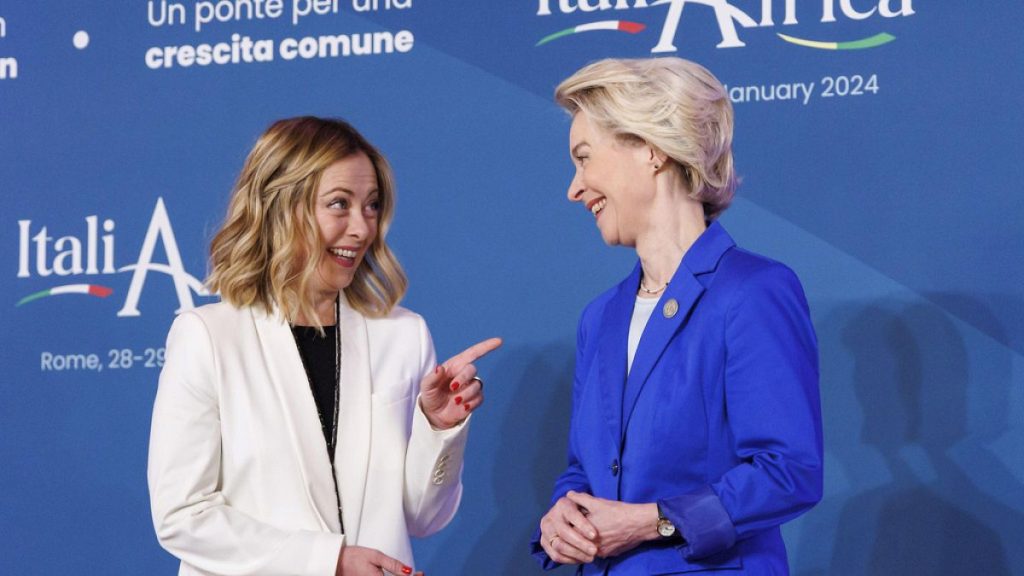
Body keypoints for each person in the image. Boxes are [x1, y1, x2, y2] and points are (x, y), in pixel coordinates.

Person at [149, 116, 500, 576]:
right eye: (340, 205)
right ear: (280, 207)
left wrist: (439, 428)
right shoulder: (209, 336)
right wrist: (326, 561)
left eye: (372, 206)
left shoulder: (403, 335)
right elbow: (182, 516)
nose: (362, 228)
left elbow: (422, 517)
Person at [531, 58, 822, 574]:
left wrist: (654, 520)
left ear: (651, 149)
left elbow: (789, 472)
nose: (574, 189)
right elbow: (585, 468)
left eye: (584, 158)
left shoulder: (753, 292)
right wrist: (564, 513)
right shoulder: (600, 318)